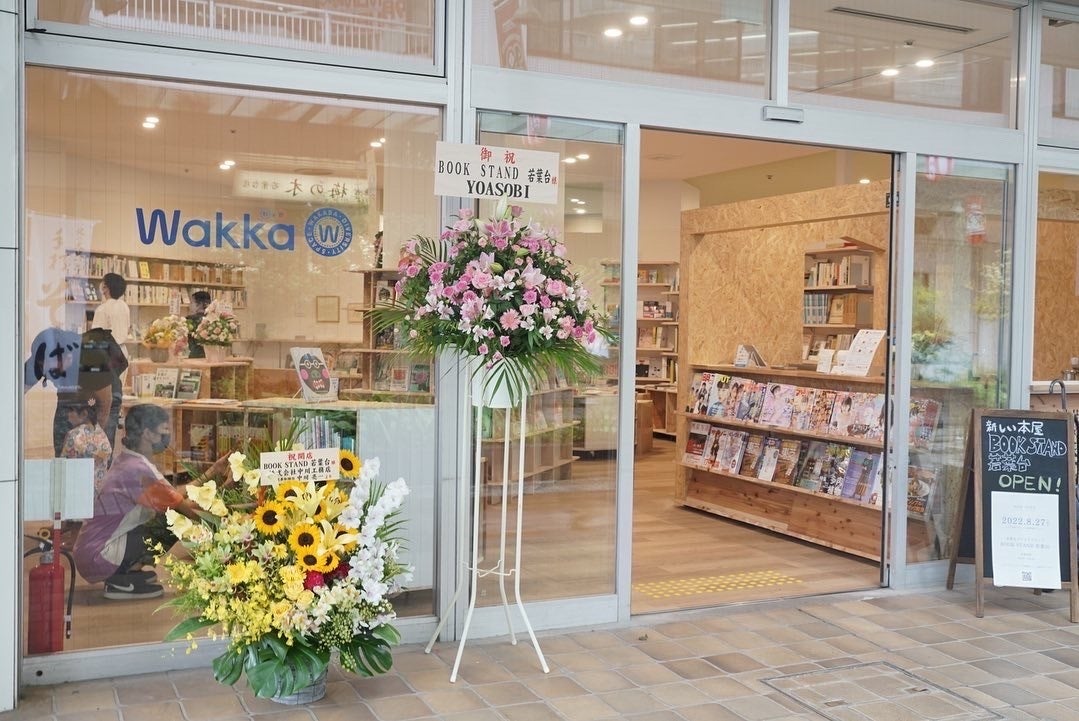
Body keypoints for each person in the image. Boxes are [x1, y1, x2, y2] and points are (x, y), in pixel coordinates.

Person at [73, 404, 231, 600]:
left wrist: (214, 471)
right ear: (147, 433)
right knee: (173, 520)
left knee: (169, 513)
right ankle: (121, 576)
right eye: (164, 429)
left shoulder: (130, 460)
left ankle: (127, 569)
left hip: (91, 552)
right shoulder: (137, 470)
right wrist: (224, 498)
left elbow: (174, 495)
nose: (167, 436)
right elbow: (183, 508)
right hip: (98, 557)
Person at [90, 272, 130, 447]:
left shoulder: (102, 309)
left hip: (106, 355)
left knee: (104, 402)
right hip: (122, 354)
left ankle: (102, 447)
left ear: (105, 288)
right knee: (116, 397)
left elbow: (96, 336)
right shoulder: (124, 306)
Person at [60, 397, 112, 493]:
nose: (68, 414)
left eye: (71, 410)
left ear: (84, 414)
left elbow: (63, 466)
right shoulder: (102, 435)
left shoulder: (74, 436)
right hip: (98, 492)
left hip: (77, 490)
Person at [185, 290, 212, 359]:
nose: (189, 305)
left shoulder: (190, 320)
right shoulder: (214, 319)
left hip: (195, 355)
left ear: (199, 304)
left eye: (192, 302)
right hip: (211, 356)